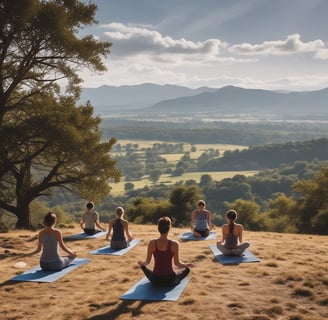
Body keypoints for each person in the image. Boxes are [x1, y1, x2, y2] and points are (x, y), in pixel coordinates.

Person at [138, 216, 193, 286]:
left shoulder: (152, 243)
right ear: (169, 228)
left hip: (156, 280)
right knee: (187, 269)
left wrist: (142, 263)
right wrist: (187, 264)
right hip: (170, 280)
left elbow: (147, 262)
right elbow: (177, 263)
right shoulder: (174, 244)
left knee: (143, 267)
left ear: (158, 228)